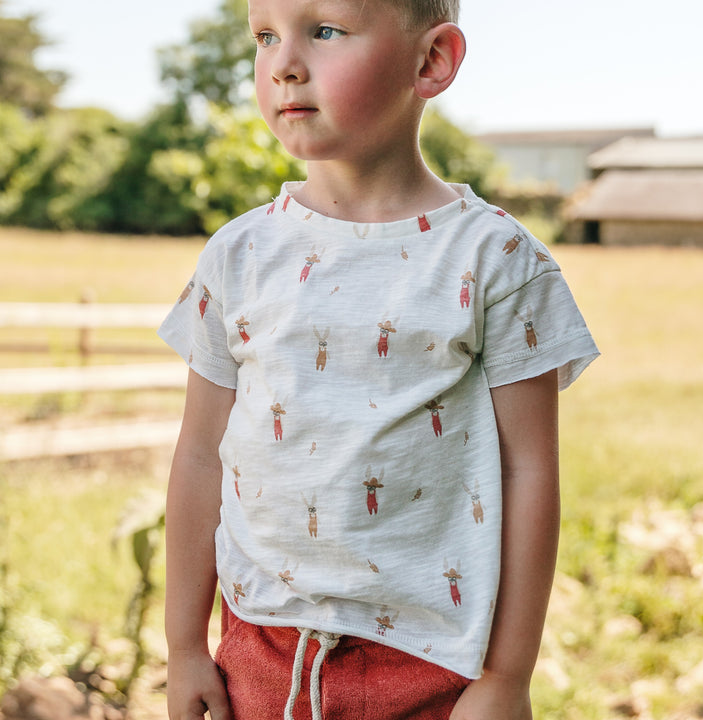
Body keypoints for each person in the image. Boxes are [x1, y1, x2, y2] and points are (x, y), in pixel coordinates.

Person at [159, 0, 599, 718]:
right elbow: (200, 455)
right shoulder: (237, 256)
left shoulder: (495, 260)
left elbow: (530, 472)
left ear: (432, 62)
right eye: (265, 36)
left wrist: (506, 677)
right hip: (257, 653)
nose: (284, 64)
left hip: (432, 664)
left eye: (324, 30)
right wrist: (183, 647)